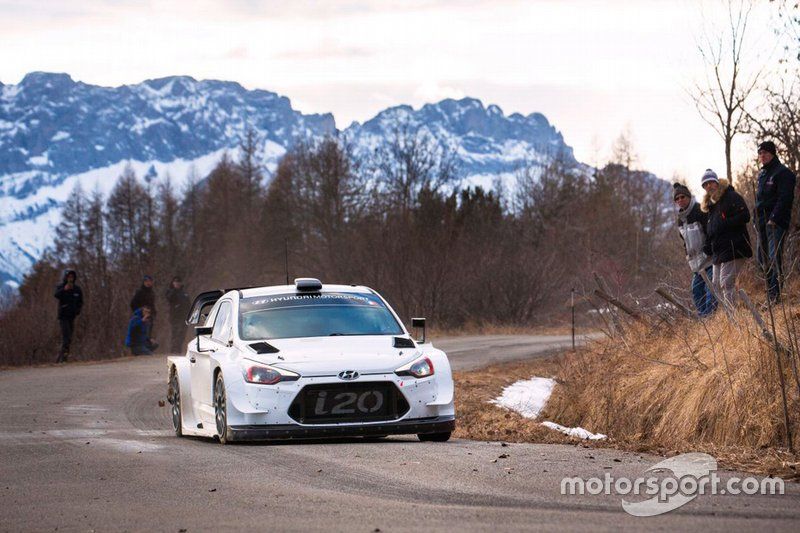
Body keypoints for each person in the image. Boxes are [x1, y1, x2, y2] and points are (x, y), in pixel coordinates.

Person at [701, 169, 753, 307]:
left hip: (735, 247)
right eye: (705, 185)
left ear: (717, 182)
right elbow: (711, 229)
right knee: (715, 285)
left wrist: (725, 223)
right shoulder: (711, 205)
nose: (708, 186)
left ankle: (734, 320)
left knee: (726, 283)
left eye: (710, 182)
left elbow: (745, 216)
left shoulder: (731, 196)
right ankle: (729, 317)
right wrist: (707, 246)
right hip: (719, 251)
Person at [754, 141, 796, 304]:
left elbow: (785, 199)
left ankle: (775, 297)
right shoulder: (763, 175)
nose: (762, 156)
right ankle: (770, 294)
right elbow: (759, 201)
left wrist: (773, 218)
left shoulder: (783, 173)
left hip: (776, 224)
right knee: (762, 260)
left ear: (772, 153)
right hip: (762, 224)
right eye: (760, 153)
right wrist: (755, 218)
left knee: (773, 258)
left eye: (765, 152)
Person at [673, 182, 716, 317]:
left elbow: (710, 232)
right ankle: (704, 320)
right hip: (695, 264)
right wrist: (688, 255)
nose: (680, 200)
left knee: (711, 291)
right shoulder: (680, 219)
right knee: (696, 291)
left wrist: (707, 250)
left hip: (709, 260)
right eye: (677, 198)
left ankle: (711, 319)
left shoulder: (700, 210)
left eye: (682, 197)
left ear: (689, 197)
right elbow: (685, 241)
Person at [54, 269, 83, 363]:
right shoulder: (61, 286)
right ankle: (62, 359)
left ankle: (61, 358)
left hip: (72, 316)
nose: (70, 279)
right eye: (69, 277)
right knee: (66, 337)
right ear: (66, 277)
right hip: (63, 316)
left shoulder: (77, 289)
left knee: (69, 338)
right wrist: (64, 289)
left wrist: (78, 310)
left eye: (72, 277)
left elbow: (81, 302)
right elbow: (56, 295)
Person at [164, 276, 191, 353]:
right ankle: (173, 350)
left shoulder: (184, 293)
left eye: (178, 282)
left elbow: (188, 304)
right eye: (175, 282)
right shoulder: (170, 291)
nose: (177, 284)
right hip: (175, 317)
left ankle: (178, 349)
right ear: (173, 283)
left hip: (184, 316)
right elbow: (169, 298)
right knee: (175, 333)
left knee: (182, 334)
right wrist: (174, 290)